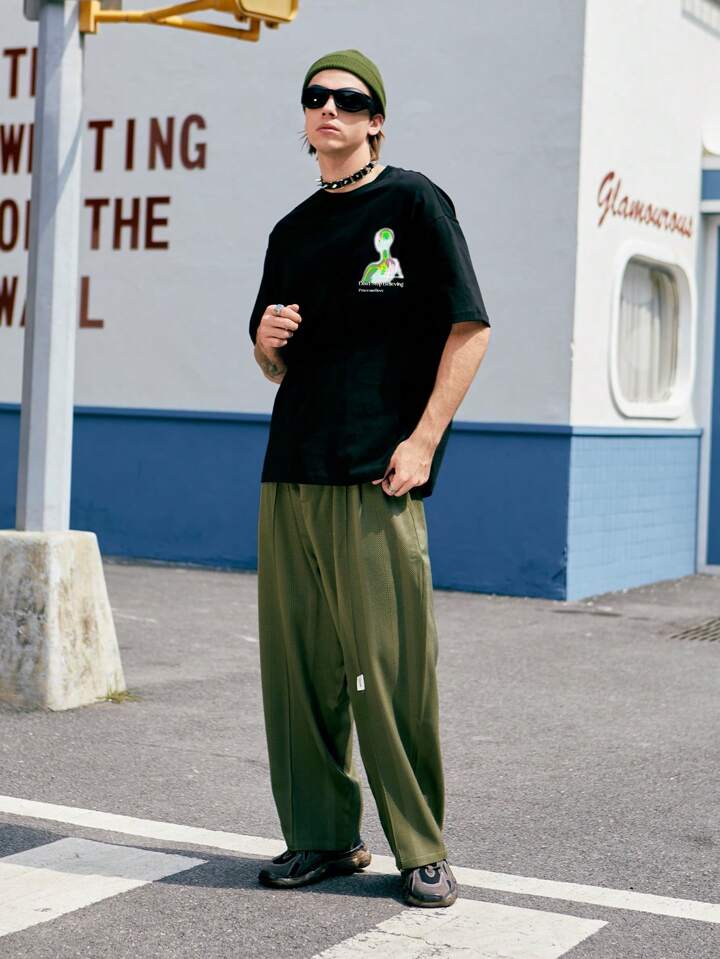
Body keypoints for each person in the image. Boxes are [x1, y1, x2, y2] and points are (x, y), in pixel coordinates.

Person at [248, 49, 491, 909]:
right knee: (299, 673)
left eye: (349, 101)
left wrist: (423, 441)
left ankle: (421, 847)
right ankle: (321, 836)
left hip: (378, 473)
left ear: (375, 120)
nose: (330, 111)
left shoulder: (413, 203)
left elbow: (470, 329)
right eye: (316, 98)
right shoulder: (291, 230)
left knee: (389, 673)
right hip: (292, 471)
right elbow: (275, 362)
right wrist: (265, 343)